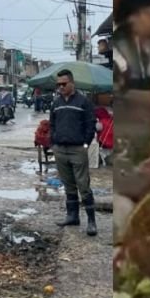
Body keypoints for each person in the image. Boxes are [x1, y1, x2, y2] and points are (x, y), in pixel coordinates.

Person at [50, 69, 98, 235]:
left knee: (83, 185)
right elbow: (52, 124)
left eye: (64, 84)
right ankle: (72, 216)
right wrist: (53, 143)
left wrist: (85, 144)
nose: (61, 87)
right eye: (58, 84)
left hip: (77, 149)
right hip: (60, 149)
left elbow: (91, 124)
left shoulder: (83, 102)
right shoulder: (56, 103)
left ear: (72, 83)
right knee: (68, 185)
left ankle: (91, 222)